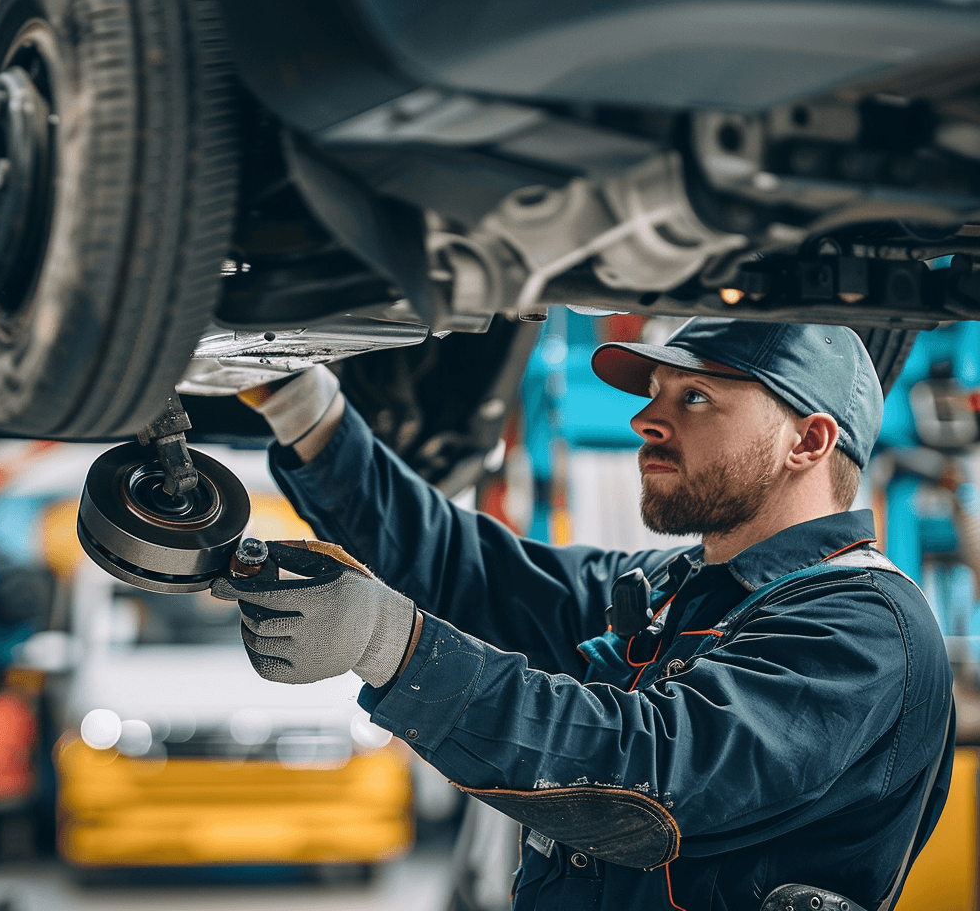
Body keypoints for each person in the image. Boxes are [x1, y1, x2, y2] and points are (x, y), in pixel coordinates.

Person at [212, 317, 954, 911]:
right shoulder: (675, 588)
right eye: (655, 393)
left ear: (811, 441)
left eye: (693, 398)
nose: (646, 421)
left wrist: (390, 643)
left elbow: (653, 776)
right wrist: (303, 407)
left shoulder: (863, 626)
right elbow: (469, 570)